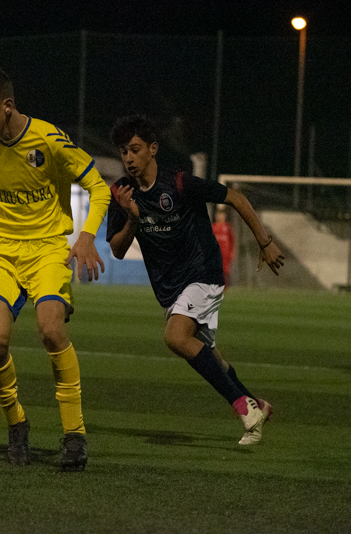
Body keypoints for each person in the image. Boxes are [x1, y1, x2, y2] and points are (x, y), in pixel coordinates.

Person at [0, 67, 111, 468]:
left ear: (7, 106)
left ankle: (74, 435)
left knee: (51, 331)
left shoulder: (49, 139)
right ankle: (16, 423)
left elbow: (99, 188)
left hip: (47, 250)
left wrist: (87, 236)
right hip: (0, 250)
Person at [106, 114, 284, 445]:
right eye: (123, 151)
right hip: (169, 288)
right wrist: (132, 219)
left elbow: (236, 198)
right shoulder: (120, 193)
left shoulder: (178, 183)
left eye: (135, 149)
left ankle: (244, 407)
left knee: (176, 337)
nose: (128, 158)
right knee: (206, 354)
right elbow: (116, 249)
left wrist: (265, 242)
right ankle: (256, 403)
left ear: (153, 149)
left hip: (203, 272)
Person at [211, 206, 236, 285]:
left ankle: (225, 287)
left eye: (222, 214)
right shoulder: (213, 227)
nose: (220, 216)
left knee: (225, 271)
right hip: (216, 254)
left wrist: (232, 252)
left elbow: (232, 241)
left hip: (225, 254)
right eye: (218, 214)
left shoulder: (227, 227)